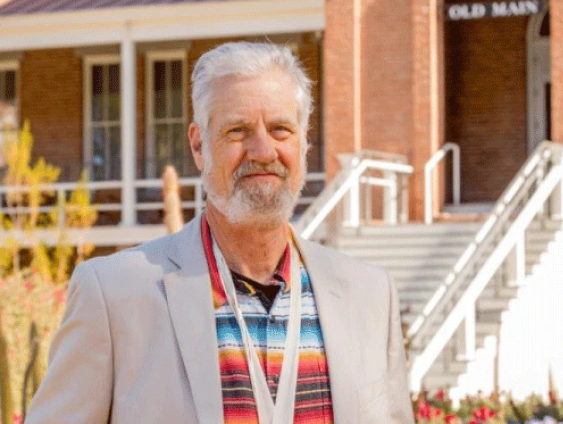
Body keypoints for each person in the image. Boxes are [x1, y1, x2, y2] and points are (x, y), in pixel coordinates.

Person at [25, 42, 413, 424]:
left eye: (280, 129)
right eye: (238, 131)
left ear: (304, 142)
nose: (263, 151)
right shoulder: (114, 297)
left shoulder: (370, 296)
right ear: (198, 145)